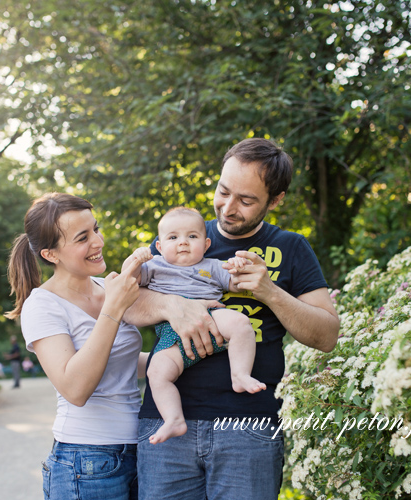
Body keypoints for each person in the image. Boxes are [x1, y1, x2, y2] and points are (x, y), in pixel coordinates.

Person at [128, 138, 340, 500]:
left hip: (247, 426)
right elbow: (126, 304)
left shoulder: (291, 248)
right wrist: (172, 307)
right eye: (223, 191)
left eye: (246, 200)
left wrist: (270, 292)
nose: (228, 208)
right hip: (165, 421)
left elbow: (326, 335)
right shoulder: (181, 235)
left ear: (275, 200)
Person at [4, 192, 151, 500]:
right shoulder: (42, 305)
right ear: (51, 254)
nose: (97, 242)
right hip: (85, 462)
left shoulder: (105, 289)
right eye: (83, 237)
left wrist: (181, 357)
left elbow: (120, 362)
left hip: (142, 450)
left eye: (95, 229)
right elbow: (75, 388)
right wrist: (113, 310)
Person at [122, 207, 265, 445]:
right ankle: (174, 419)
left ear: (206, 243)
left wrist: (239, 265)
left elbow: (238, 284)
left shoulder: (213, 266)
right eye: (173, 237)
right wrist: (136, 259)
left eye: (192, 236)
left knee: (240, 322)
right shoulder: (155, 266)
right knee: (156, 373)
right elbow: (128, 280)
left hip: (212, 318)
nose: (183, 243)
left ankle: (240, 374)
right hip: (172, 333)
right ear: (158, 246)